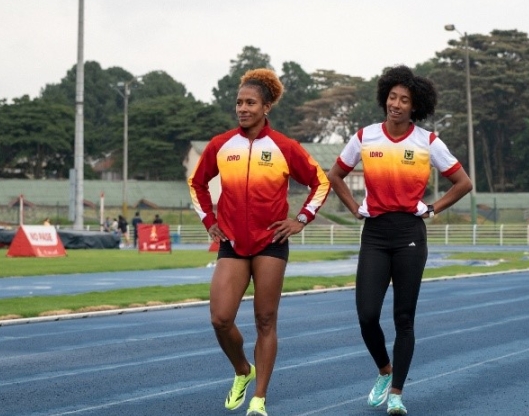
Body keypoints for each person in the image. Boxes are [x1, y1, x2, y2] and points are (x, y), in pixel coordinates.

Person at [327, 65, 472, 415]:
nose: (396, 103)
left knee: (404, 319)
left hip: (410, 234)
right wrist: (353, 208)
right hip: (375, 234)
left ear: (414, 106)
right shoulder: (365, 137)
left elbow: (463, 183)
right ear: (384, 99)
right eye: (392, 97)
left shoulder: (427, 142)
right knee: (366, 315)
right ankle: (383, 369)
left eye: (404, 100)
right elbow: (335, 175)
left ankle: (396, 393)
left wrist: (433, 209)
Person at [188, 68, 330, 416]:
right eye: (239, 102)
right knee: (220, 319)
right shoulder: (222, 145)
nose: (243, 108)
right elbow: (197, 183)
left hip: (271, 243)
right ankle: (242, 370)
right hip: (233, 244)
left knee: (265, 320)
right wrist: (210, 220)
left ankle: (259, 399)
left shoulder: (284, 147)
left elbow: (320, 182)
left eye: (250, 102)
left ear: (266, 107)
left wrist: (300, 219)